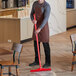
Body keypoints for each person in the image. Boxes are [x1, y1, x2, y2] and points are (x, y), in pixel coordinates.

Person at [29, 0, 51, 68]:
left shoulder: (47, 6)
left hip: (43, 28)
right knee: (36, 45)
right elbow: (31, 13)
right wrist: (33, 20)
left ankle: (48, 62)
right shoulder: (35, 4)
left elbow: (45, 19)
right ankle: (37, 61)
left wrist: (39, 28)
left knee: (45, 45)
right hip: (36, 26)